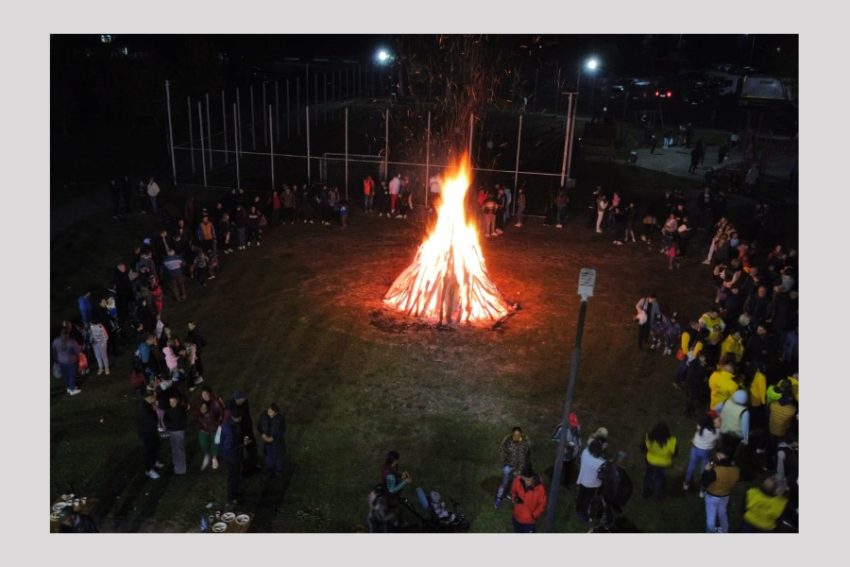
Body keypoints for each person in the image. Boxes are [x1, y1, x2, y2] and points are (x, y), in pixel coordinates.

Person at [700, 441, 740, 533]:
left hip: (712, 495)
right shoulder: (736, 470)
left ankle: (710, 532)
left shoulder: (715, 471)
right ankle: (724, 530)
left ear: (720, 454)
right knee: (722, 513)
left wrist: (706, 470)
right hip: (726, 495)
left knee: (711, 516)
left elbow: (703, 482)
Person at [683, 413, 720, 494]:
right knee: (704, 470)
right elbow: (718, 439)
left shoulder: (700, 427)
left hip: (695, 449)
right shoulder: (716, 432)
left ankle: (686, 483)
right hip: (706, 452)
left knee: (691, 466)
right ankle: (702, 489)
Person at [495, 427, 532, 508]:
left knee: (517, 483)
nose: (516, 436)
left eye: (518, 435)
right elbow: (502, 451)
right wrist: (505, 462)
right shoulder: (508, 442)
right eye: (515, 435)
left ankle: (513, 495)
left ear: (521, 434)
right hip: (509, 466)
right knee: (504, 482)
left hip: (519, 467)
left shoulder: (524, 443)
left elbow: (526, 454)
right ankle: (498, 498)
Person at [596, 451, 633, 529]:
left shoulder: (607, 466)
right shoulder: (626, 478)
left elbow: (599, 475)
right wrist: (622, 502)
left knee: (606, 506)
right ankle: (613, 514)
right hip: (616, 498)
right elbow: (628, 492)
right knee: (612, 508)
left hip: (606, 494)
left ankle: (608, 513)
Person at [642, 422, 677, 499]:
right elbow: (674, 453)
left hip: (650, 461)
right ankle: (657, 495)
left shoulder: (649, 438)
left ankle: (645, 493)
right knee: (659, 478)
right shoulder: (672, 441)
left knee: (648, 476)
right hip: (663, 463)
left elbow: (645, 447)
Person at [220, 402, 246, 504]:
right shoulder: (230, 430)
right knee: (233, 477)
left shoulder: (229, 423)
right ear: (237, 418)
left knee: (236, 475)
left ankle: (235, 492)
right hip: (232, 457)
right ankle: (232, 497)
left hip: (233, 455)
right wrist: (242, 444)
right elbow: (229, 447)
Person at [576, 438, 606, 523]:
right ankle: (584, 516)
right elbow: (602, 475)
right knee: (587, 500)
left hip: (582, 479)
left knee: (580, 496)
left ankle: (578, 510)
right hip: (592, 485)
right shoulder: (600, 463)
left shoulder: (585, 452)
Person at [510, 465, 547, 533]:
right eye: (526, 479)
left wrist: (534, 515)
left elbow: (542, 503)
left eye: (530, 479)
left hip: (529, 522)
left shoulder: (539, 488)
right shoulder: (517, 480)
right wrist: (514, 498)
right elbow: (513, 491)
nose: (529, 482)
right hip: (516, 517)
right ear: (522, 477)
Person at [230, 390, 260, 475]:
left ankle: (254, 464)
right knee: (240, 449)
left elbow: (242, 417)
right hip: (238, 432)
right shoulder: (232, 405)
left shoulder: (244, 404)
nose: (242, 401)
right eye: (241, 400)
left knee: (251, 447)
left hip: (246, 430)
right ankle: (243, 467)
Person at [138, 391, 164, 479]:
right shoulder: (144, 409)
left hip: (151, 432)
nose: (155, 399)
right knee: (149, 451)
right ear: (148, 398)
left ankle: (154, 461)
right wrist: (155, 409)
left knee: (156, 446)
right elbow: (153, 421)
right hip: (147, 434)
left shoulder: (147, 405)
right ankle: (148, 470)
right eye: (153, 398)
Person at [198, 385, 225, 470]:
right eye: (203, 394)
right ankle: (207, 455)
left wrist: (217, 424)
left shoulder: (216, 402)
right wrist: (201, 413)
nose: (204, 396)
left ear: (210, 393)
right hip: (204, 428)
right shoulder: (200, 403)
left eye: (206, 394)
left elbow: (221, 413)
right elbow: (197, 415)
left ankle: (214, 458)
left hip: (214, 427)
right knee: (203, 443)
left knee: (215, 443)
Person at [258, 403, 286, 478]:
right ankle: (270, 469)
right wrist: (263, 434)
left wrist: (273, 438)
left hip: (277, 443)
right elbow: (259, 426)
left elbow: (282, 430)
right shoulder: (264, 416)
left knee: (278, 456)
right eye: (268, 410)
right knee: (268, 456)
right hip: (266, 442)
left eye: (271, 411)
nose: (268, 412)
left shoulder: (280, 419)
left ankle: (278, 471)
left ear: (276, 412)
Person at [163, 391, 188, 475]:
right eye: (170, 402)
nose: (172, 403)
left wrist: (169, 425)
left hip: (177, 432)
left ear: (177, 401)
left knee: (179, 450)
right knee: (175, 450)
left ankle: (180, 469)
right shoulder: (171, 410)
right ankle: (177, 466)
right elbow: (165, 419)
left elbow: (180, 423)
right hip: (173, 432)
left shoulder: (180, 410)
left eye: (173, 402)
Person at [52, 327, 82, 396]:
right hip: (71, 361)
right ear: (68, 333)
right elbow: (78, 351)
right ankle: (72, 389)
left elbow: (54, 351)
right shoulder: (72, 341)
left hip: (61, 361)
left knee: (65, 375)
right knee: (72, 375)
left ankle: (68, 387)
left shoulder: (55, 341)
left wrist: (56, 359)